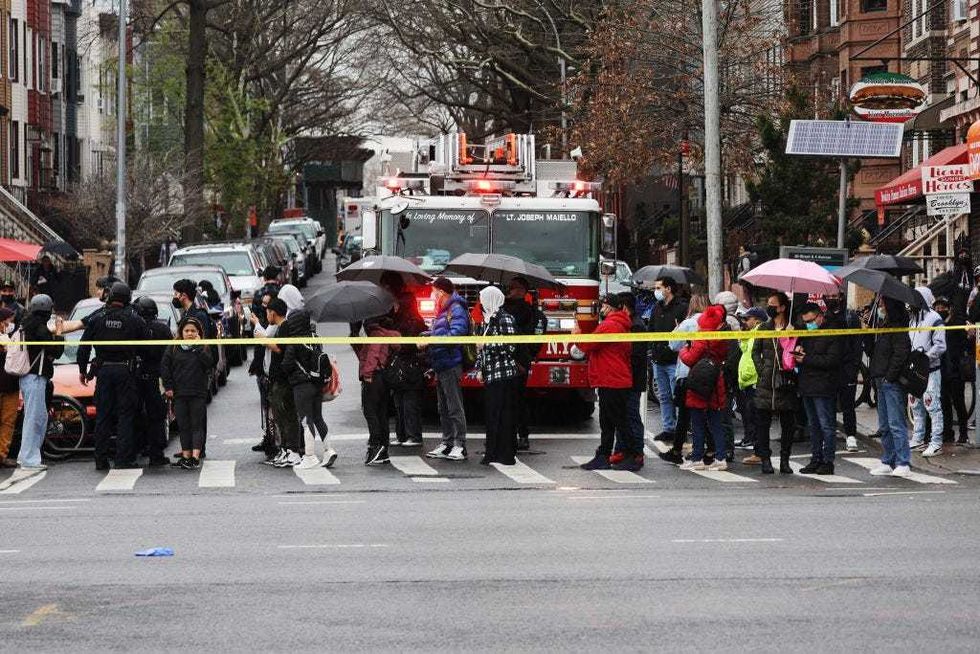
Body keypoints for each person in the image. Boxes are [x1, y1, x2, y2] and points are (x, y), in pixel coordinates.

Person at [77, 283, 147, 470]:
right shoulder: (134, 320)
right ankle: (123, 459)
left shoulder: (98, 318)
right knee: (125, 416)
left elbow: (83, 347)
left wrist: (83, 370)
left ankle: (101, 459)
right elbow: (147, 344)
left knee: (103, 416)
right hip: (126, 372)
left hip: (104, 373)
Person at [574, 294, 633, 470]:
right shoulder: (620, 324)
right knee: (612, 420)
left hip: (611, 379)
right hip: (615, 378)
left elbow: (587, 346)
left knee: (614, 421)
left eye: (603, 306)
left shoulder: (609, 325)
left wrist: (577, 335)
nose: (601, 309)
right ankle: (608, 454)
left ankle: (626, 454)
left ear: (609, 308)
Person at [282, 297, 336, 470]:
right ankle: (328, 450)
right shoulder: (315, 338)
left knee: (306, 420)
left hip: (301, 385)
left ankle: (310, 456)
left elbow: (287, 365)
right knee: (318, 417)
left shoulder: (294, 342)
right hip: (317, 383)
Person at [748, 292, 797, 474]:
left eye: (773, 304)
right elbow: (755, 352)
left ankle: (785, 460)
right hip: (766, 383)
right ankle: (765, 459)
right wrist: (762, 370)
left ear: (782, 307)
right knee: (762, 424)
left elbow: (798, 351)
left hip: (785, 382)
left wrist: (791, 336)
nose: (769, 307)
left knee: (788, 425)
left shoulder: (793, 327)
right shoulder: (764, 327)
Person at [658, 294, 710, 465]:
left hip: (687, 373)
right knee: (704, 413)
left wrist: (677, 328)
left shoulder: (688, 323)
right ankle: (709, 449)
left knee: (686, 415)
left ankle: (679, 450)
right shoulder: (711, 323)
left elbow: (673, 344)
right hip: (708, 373)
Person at [423, 277, 470, 461]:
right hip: (441, 363)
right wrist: (427, 335)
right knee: (443, 407)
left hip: (451, 363)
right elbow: (443, 332)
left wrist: (431, 340)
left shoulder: (456, 309)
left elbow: (457, 334)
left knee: (454, 406)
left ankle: (460, 445)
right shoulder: (445, 310)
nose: (433, 296)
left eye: (434, 292)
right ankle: (447, 442)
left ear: (441, 292)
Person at [678, 304, 729, 471]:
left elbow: (689, 359)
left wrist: (684, 349)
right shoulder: (722, 338)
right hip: (715, 381)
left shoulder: (701, 338)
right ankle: (721, 457)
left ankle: (697, 457)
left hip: (699, 383)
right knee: (715, 422)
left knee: (698, 421)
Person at [17, 295, 64, 473]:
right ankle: (29, 459)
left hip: (30, 377)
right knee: (34, 418)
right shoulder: (39, 329)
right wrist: (59, 332)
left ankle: (28, 455)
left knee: (37, 417)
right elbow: (57, 351)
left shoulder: (27, 325)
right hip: (35, 376)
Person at [794, 302, 842, 475]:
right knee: (813, 426)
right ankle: (816, 459)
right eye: (806, 321)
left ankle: (828, 461)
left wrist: (806, 359)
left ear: (820, 316)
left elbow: (831, 361)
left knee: (826, 425)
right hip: (807, 384)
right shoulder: (806, 333)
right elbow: (800, 348)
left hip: (824, 385)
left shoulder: (832, 332)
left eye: (811, 320)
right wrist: (798, 348)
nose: (809, 324)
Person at [475, 286, 522, 466]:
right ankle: (492, 451)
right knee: (492, 415)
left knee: (505, 416)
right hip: (490, 375)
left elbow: (509, 347)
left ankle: (505, 453)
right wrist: (480, 368)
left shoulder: (505, 319)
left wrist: (486, 345)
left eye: (483, 299)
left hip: (504, 374)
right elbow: (480, 348)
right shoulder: (487, 321)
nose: (480, 303)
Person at [868, 297, 913, 478]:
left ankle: (903, 461)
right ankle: (888, 459)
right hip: (880, 378)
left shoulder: (898, 327)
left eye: (883, 303)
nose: (880, 306)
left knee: (896, 423)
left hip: (890, 382)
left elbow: (901, 353)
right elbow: (873, 351)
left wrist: (889, 377)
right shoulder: (884, 325)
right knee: (884, 424)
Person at [161, 318, 214, 469]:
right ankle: (186, 456)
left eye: (193, 331)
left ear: (198, 333)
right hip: (179, 393)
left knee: (196, 425)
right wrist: (168, 387)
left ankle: (195, 457)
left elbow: (209, 363)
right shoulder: (173, 347)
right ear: (181, 332)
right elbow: (165, 367)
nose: (190, 334)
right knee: (183, 426)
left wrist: (197, 348)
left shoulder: (203, 347)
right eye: (187, 331)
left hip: (198, 392)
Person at [381, 272, 426, 448]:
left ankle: (413, 435)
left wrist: (398, 341)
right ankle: (402, 435)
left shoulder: (411, 319)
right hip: (399, 364)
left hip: (409, 364)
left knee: (409, 401)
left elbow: (410, 342)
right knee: (399, 400)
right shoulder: (394, 314)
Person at [354, 316, 400, 465]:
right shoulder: (386, 335)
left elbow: (372, 356)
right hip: (383, 378)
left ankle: (375, 445)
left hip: (373, 378)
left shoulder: (376, 335)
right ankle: (383, 448)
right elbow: (365, 355)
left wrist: (367, 375)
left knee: (370, 412)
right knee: (381, 413)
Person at [503, 276, 542, 451]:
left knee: (514, 399)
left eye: (513, 287)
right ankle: (519, 435)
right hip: (519, 359)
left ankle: (518, 435)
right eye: (508, 287)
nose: (509, 290)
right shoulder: (528, 310)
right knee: (513, 399)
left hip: (517, 360)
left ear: (522, 291)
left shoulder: (522, 311)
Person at [648, 276, 689, 442]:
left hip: (675, 360)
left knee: (677, 396)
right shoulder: (656, 308)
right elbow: (651, 329)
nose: (656, 291)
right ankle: (668, 428)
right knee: (664, 396)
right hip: (658, 359)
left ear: (668, 289)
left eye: (659, 287)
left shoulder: (682, 307)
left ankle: (681, 429)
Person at [264, 297, 302, 468]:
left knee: (287, 415)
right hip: (277, 379)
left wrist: (265, 340)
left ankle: (293, 450)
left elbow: (281, 349)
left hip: (284, 380)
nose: (267, 315)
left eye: (267, 312)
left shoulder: (285, 327)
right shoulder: (280, 328)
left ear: (273, 312)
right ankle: (285, 449)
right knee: (279, 416)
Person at [611, 292, 647, 471]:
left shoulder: (636, 326)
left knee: (631, 416)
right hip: (622, 378)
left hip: (632, 380)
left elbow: (637, 356)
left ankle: (636, 452)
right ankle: (621, 449)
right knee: (621, 415)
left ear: (624, 308)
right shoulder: (625, 325)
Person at [908, 286, 946, 457]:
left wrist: (925, 358)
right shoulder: (912, 319)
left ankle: (936, 442)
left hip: (931, 369)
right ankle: (918, 438)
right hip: (915, 370)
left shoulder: (934, 318)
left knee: (932, 404)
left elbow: (940, 345)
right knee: (915, 404)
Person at [134, 296, 171, 467]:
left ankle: (140, 447)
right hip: (157, 378)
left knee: (135, 413)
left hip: (136, 376)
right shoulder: (163, 329)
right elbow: (170, 355)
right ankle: (156, 453)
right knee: (157, 415)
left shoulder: (135, 328)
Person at [824, 294, 862, 452]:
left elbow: (857, 344)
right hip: (829, 367)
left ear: (841, 297)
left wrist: (854, 367)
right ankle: (829, 437)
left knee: (848, 405)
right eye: (829, 296)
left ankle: (851, 436)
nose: (832, 298)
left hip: (847, 368)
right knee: (829, 404)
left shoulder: (850, 317)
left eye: (835, 296)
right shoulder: (824, 317)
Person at [934, 296, 970, 444]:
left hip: (955, 370)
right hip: (942, 369)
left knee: (958, 403)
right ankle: (948, 433)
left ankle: (963, 433)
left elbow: (965, 344)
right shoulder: (937, 324)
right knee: (944, 403)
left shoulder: (957, 323)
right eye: (937, 307)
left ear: (949, 308)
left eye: (942, 307)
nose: (939, 310)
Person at [249, 292, 279, 456]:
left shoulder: (276, 324)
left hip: (272, 374)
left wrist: (257, 324)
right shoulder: (269, 321)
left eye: (268, 305)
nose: (264, 307)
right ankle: (269, 437)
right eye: (263, 304)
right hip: (263, 370)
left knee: (273, 410)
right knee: (266, 408)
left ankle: (274, 442)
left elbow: (266, 339)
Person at [735, 306, 765, 455]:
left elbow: (757, 356)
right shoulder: (751, 333)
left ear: (757, 320)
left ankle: (754, 440)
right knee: (747, 412)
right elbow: (746, 351)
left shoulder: (760, 332)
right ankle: (750, 438)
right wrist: (743, 338)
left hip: (754, 378)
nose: (745, 321)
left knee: (753, 413)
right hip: (747, 379)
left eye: (748, 319)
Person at [930, 248, 972, 324]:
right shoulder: (952, 274)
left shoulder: (971, 274)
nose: (963, 257)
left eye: (966, 255)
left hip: (969, 307)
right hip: (956, 309)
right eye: (961, 255)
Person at [0, 308, 19, 467]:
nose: (10, 324)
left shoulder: (12, 338)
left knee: (8, 421)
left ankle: (2, 455)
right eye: (8, 320)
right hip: (6, 385)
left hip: (10, 386)